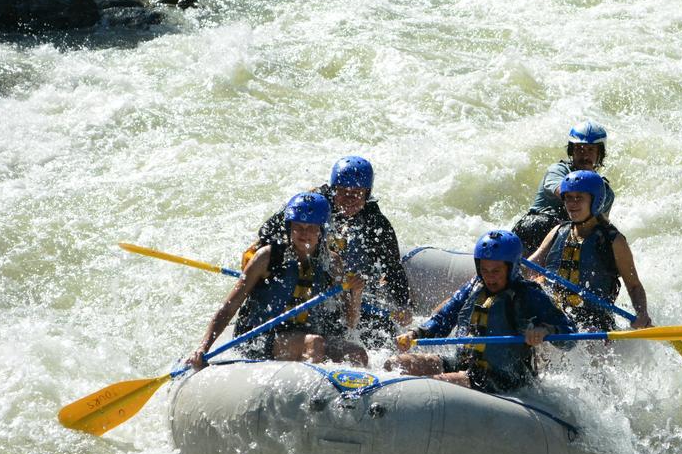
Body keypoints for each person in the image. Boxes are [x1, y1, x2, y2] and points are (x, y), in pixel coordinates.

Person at [187, 193, 367, 369]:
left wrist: (356, 293)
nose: (304, 234)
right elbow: (229, 306)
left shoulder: (332, 263)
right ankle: (308, 398)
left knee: (357, 353)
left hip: (305, 336)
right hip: (258, 338)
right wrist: (204, 347)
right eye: (298, 226)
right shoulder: (267, 257)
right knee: (314, 344)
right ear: (289, 227)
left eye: (311, 227)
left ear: (322, 230)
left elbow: (350, 322)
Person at [386, 230, 578, 393]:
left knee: (430, 384)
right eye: (484, 270)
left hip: (502, 377)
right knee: (395, 364)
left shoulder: (529, 295)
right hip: (464, 364)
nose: (489, 277)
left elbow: (569, 334)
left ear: (512, 268)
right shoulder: (474, 287)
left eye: (496, 271)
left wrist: (545, 331)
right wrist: (416, 333)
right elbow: (444, 318)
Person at [249, 155, 412, 348]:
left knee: (380, 332)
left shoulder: (376, 222)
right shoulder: (313, 203)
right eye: (343, 192)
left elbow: (392, 267)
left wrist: (404, 305)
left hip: (353, 290)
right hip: (316, 282)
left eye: (357, 193)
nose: (350, 200)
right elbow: (268, 231)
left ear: (367, 194)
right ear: (333, 189)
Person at [528, 170, 652, 333]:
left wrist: (641, 313)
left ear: (595, 200)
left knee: (589, 336)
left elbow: (634, 285)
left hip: (595, 322)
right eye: (569, 198)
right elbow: (530, 265)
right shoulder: (558, 231)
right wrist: (534, 279)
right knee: (537, 335)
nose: (572, 203)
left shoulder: (613, 241)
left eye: (579, 197)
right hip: (557, 318)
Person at [512, 120, 616, 255]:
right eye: (579, 149)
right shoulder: (558, 171)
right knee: (541, 223)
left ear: (599, 154)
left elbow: (600, 225)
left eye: (591, 150)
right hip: (534, 234)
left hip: (567, 244)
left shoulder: (606, 193)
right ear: (571, 152)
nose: (584, 155)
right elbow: (565, 191)